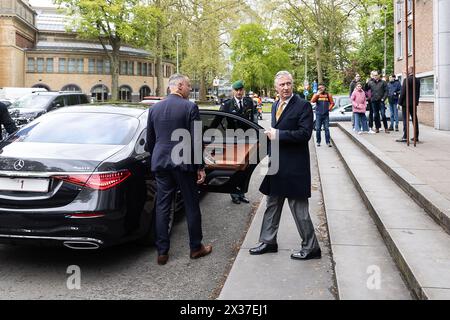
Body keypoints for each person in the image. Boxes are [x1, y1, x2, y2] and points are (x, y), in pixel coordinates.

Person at [249, 70, 321, 260]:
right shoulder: (275, 105)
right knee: (272, 204)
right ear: (276, 87)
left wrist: (278, 135)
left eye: (288, 83)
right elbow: (275, 131)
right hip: (277, 164)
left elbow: (305, 134)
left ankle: (311, 247)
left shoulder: (303, 106)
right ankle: (268, 241)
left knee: (299, 208)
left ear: (293, 84)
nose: (286, 87)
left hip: (295, 166)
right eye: (282, 85)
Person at [146, 73, 212, 265]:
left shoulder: (155, 108)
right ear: (180, 86)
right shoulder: (190, 107)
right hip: (184, 164)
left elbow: (151, 140)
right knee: (191, 205)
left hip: (161, 164)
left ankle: (162, 252)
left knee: (163, 206)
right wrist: (200, 166)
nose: (190, 89)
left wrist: (158, 157)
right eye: (189, 86)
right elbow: (196, 139)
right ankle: (195, 248)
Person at [219, 80, 255, 204]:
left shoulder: (248, 102)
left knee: (245, 168)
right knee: (235, 168)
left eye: (241, 90)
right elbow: (221, 122)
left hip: (246, 140)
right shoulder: (227, 104)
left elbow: (253, 119)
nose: (239, 92)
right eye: (237, 90)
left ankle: (242, 193)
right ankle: (234, 193)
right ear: (233, 91)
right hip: (233, 141)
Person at [397, 66, 421, 142]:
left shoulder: (406, 80)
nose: (405, 72)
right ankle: (416, 136)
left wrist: (399, 103)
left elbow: (403, 92)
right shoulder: (417, 80)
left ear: (409, 71)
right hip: (414, 103)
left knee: (405, 120)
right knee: (415, 119)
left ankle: (405, 136)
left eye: (406, 70)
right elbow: (418, 92)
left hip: (406, 103)